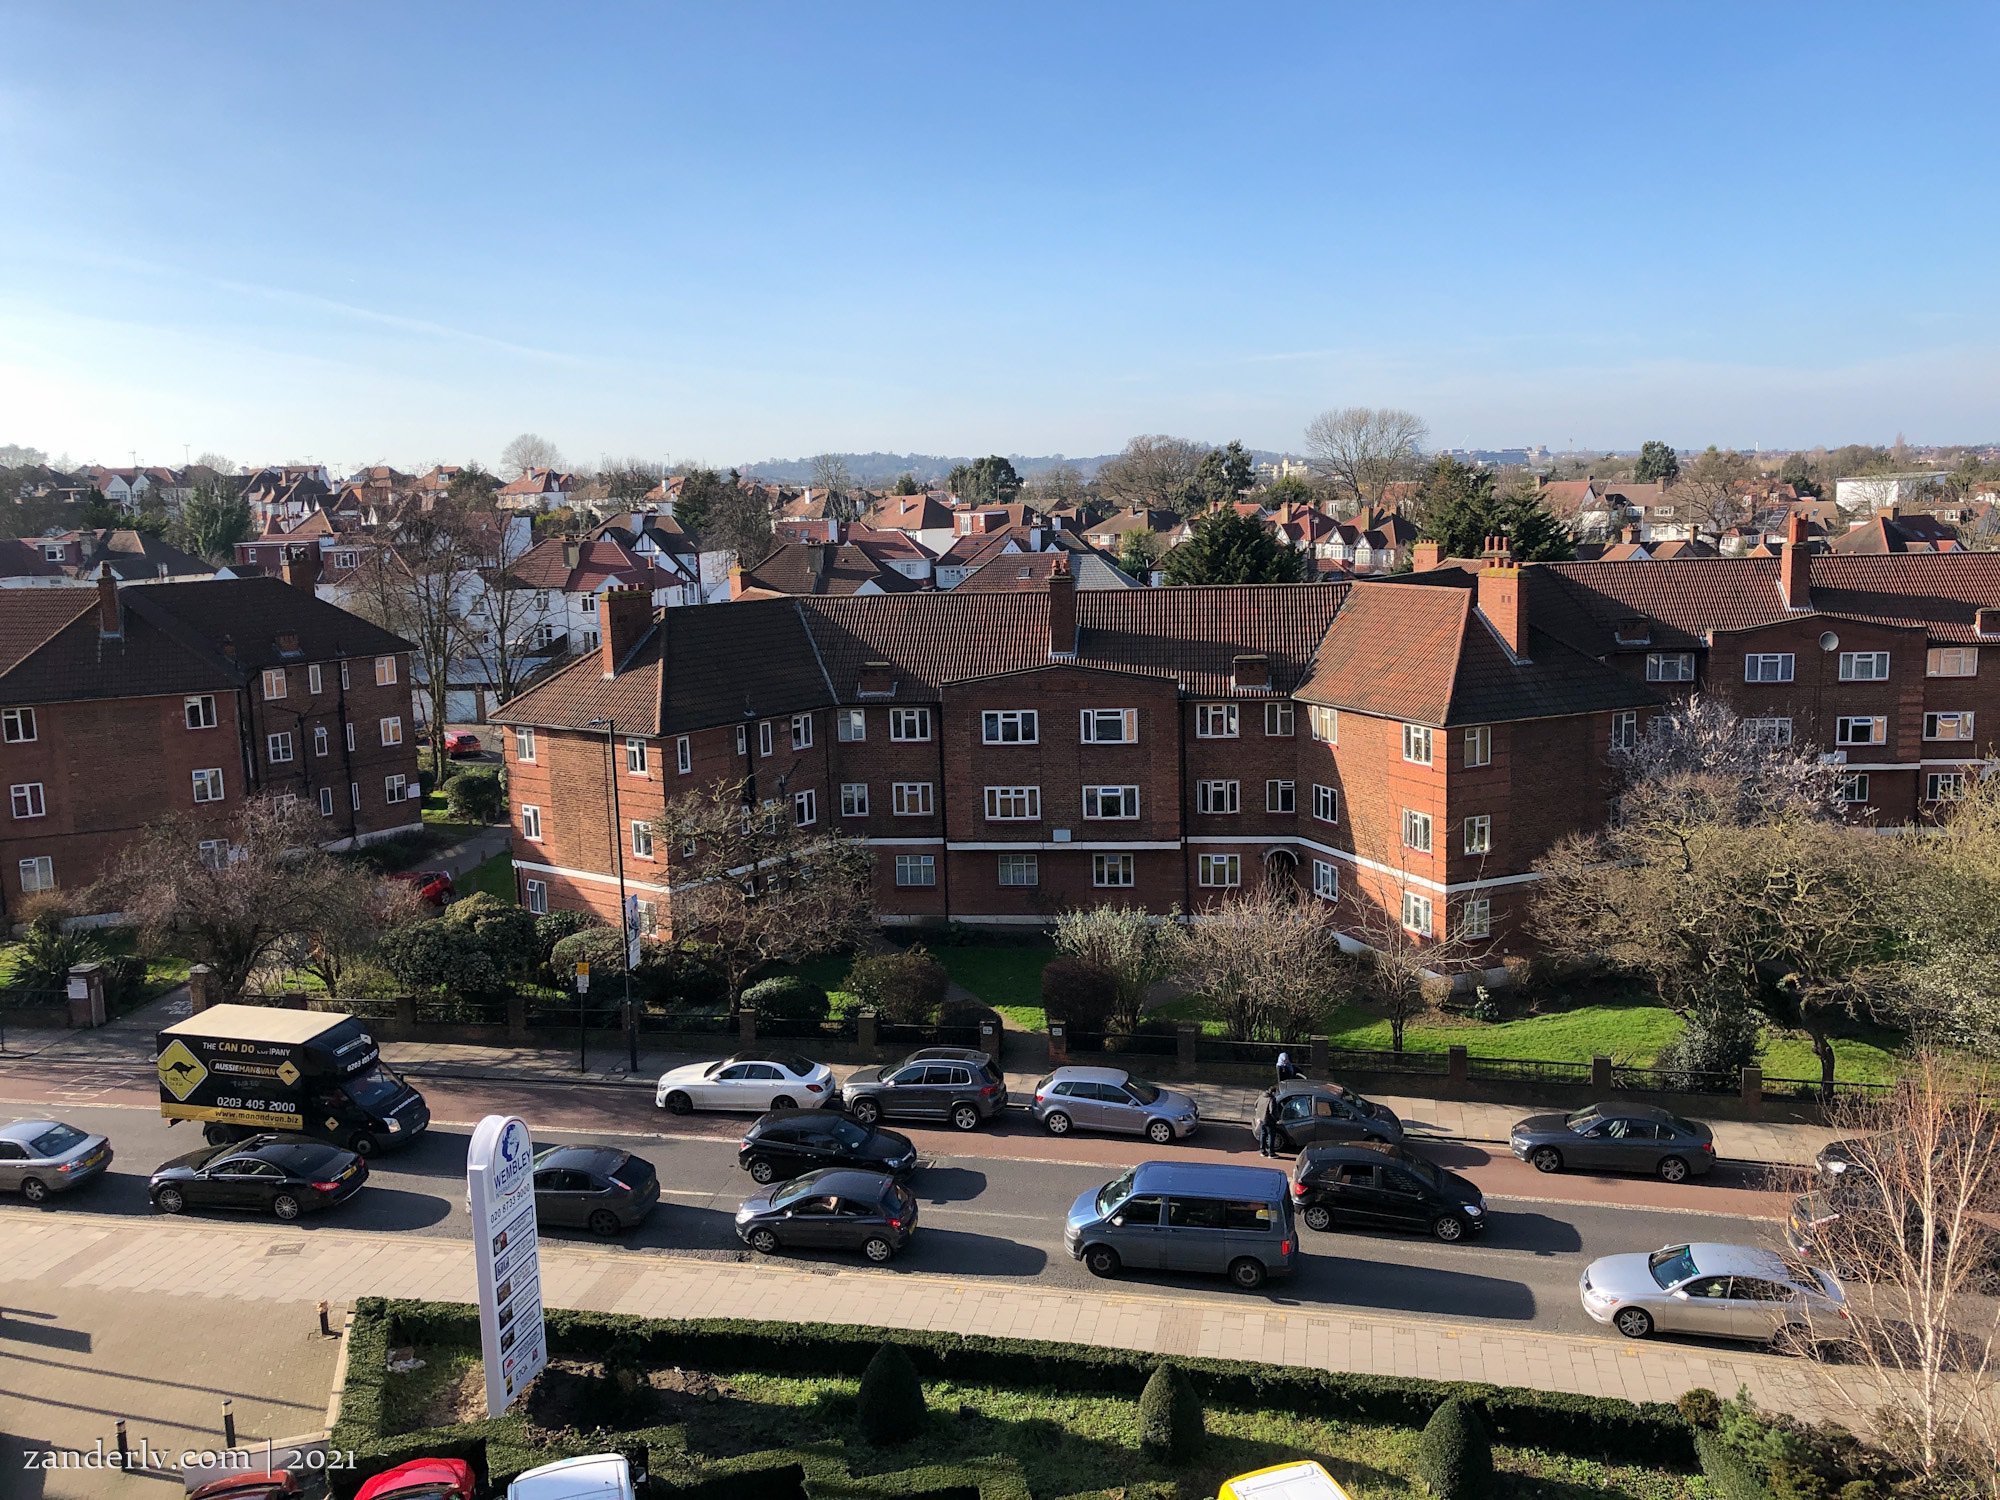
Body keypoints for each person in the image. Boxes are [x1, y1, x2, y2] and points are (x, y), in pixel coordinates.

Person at [1252, 1085, 1278, 1157]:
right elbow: (1272, 1111)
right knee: (1271, 1135)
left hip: (1261, 1119)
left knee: (1263, 1134)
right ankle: (1271, 1153)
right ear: (1273, 1092)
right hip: (1268, 1120)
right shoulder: (1271, 1099)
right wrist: (1276, 1119)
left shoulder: (1261, 1096)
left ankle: (1262, 1151)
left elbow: (1255, 1104)